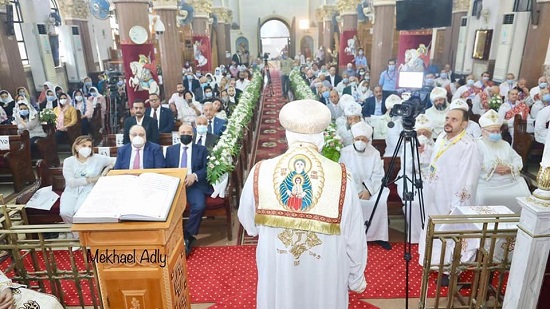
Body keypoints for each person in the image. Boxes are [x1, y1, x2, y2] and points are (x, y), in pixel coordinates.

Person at [238, 99, 367, 309]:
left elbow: (248, 223)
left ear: (288, 135)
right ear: (322, 137)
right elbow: (354, 235)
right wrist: (356, 276)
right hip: (324, 271)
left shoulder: (261, 171)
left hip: (279, 266)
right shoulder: (341, 176)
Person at [419, 102, 482, 273]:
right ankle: (431, 262)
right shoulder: (440, 137)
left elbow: (468, 179)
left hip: (451, 198)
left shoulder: (469, 146)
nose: (449, 122)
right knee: (434, 228)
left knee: (449, 234)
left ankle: (448, 269)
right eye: (447, 118)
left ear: (464, 124)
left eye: (454, 119)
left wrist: (457, 206)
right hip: (435, 194)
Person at [339, 121, 391, 249]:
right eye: (358, 139)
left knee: (380, 201)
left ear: (368, 141)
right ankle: (351, 236)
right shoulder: (344, 152)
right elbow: (343, 173)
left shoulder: (374, 153)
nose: (360, 141)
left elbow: (378, 175)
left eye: (364, 139)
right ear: (353, 139)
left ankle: (378, 236)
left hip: (371, 188)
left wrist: (368, 190)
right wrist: (355, 190)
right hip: (351, 188)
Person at [165, 124, 210, 255]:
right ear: (178, 135)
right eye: (183, 132)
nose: (186, 134)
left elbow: (207, 168)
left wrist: (194, 176)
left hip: (194, 184)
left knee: (200, 206)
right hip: (176, 184)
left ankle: (188, 235)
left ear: (193, 134)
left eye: (188, 132)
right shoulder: (171, 150)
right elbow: (167, 168)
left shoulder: (201, 149)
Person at [476, 110, 531, 213]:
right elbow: (473, 165)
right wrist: (493, 168)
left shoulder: (504, 144)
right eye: (492, 131)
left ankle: (516, 222)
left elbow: (517, 159)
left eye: (498, 131)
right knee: (483, 197)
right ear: (482, 131)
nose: (496, 134)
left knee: (524, 195)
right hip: (487, 183)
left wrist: (510, 168)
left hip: (509, 182)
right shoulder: (476, 145)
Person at [60, 136, 115, 235]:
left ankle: (83, 236)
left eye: (89, 146)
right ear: (76, 147)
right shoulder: (68, 161)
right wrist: (92, 179)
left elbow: (115, 160)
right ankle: (75, 234)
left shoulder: (98, 158)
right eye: (84, 145)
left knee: (79, 211)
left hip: (89, 190)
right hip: (71, 190)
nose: (87, 148)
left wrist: (108, 168)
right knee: (65, 212)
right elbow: (71, 182)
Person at [397, 114, 434, 244]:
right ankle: (415, 237)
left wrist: (427, 152)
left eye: (425, 133)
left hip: (429, 179)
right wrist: (417, 154)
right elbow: (407, 168)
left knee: (432, 203)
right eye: (419, 133)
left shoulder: (434, 148)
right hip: (410, 179)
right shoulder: (407, 147)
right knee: (413, 204)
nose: (422, 135)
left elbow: (437, 166)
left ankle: (430, 235)